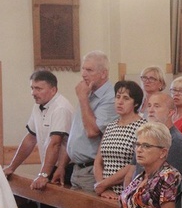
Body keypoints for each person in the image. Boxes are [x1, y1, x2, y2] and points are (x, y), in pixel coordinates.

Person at [86, 123, 180, 208]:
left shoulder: (168, 177)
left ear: (163, 152)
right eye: (138, 145)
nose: (139, 150)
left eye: (146, 146)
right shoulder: (140, 177)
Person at [4, 70, 73, 190]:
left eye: (38, 89)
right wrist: (12, 167)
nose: (33, 93)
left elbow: (55, 143)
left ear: (53, 90)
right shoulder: (37, 106)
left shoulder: (61, 108)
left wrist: (43, 174)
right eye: (32, 88)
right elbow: (30, 139)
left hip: (63, 168)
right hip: (48, 166)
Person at [63, 50, 117, 193]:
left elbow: (92, 131)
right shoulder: (89, 93)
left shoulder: (110, 98)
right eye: (83, 68)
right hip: (77, 168)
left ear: (103, 73)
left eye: (89, 70)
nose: (83, 74)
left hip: (92, 170)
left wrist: (82, 98)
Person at [93, 81, 146, 198]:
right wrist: (102, 186)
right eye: (118, 97)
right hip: (104, 190)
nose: (120, 102)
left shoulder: (142, 127)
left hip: (126, 190)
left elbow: (135, 164)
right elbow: (98, 160)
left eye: (126, 98)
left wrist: (104, 184)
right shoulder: (111, 125)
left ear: (136, 103)